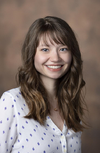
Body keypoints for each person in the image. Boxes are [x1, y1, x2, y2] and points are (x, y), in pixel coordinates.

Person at [0, 16, 87, 153]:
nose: (55, 58)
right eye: (45, 49)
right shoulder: (12, 102)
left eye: (63, 49)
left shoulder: (71, 106)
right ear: (32, 54)